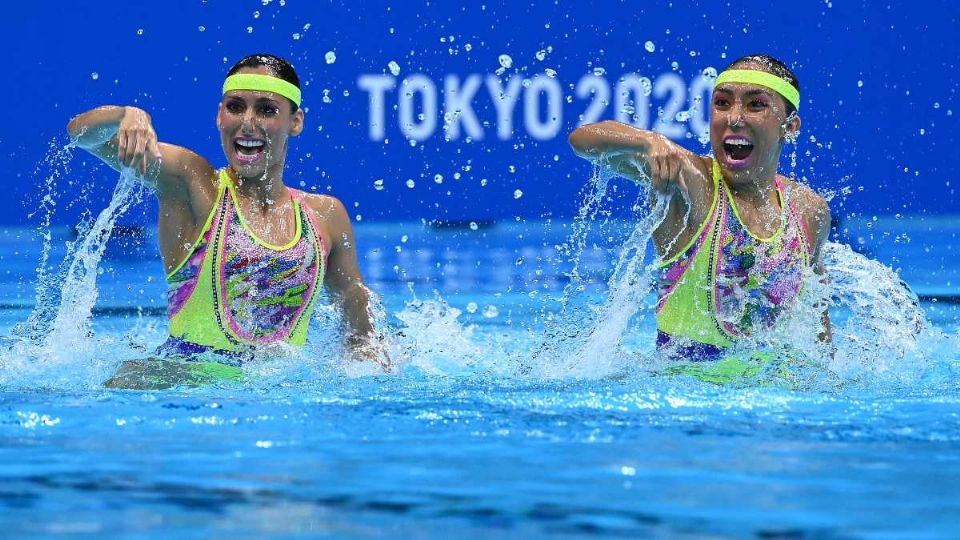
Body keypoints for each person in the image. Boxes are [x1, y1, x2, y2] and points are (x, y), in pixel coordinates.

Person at [67, 53, 388, 387]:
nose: (248, 122)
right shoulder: (194, 186)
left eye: (266, 109)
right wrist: (125, 115)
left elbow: (355, 313)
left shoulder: (325, 215)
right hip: (183, 391)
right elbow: (81, 134)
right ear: (220, 115)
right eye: (236, 106)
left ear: (296, 121)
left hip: (281, 400)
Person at [569, 54, 832, 373]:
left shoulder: (807, 210)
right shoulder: (693, 184)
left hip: (773, 396)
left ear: (789, 127)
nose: (734, 117)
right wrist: (648, 140)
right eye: (722, 103)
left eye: (755, 105)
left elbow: (819, 321)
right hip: (685, 397)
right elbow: (583, 140)